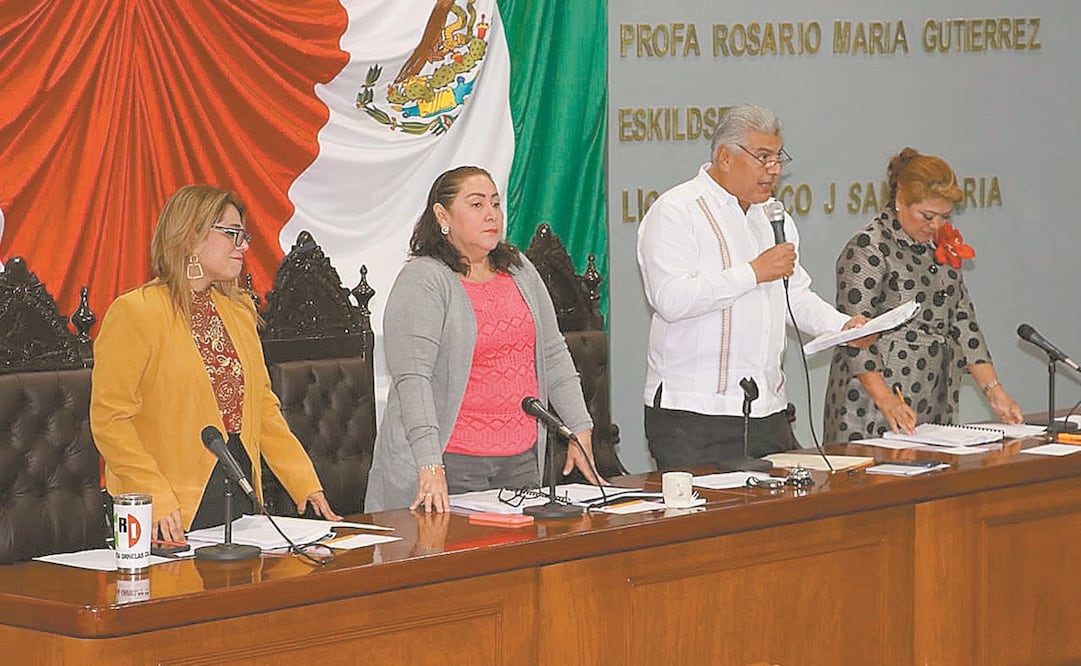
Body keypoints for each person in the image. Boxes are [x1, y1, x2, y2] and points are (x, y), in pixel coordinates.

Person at [91, 185, 340, 544]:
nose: (243, 246)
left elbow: (264, 408)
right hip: (166, 505)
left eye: (244, 235)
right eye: (231, 234)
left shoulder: (238, 310)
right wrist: (153, 496)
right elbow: (110, 420)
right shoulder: (136, 312)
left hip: (236, 486)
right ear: (191, 237)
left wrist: (303, 482)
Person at [636, 104, 869, 470]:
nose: (773, 169)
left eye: (778, 157)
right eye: (763, 158)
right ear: (724, 157)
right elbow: (671, 299)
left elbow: (794, 293)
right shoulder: (676, 210)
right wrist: (753, 272)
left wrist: (841, 326)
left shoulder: (773, 217)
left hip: (767, 410)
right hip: (694, 416)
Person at [364, 166, 600, 513]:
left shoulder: (519, 268)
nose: (491, 214)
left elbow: (552, 352)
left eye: (495, 203)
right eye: (476, 205)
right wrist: (430, 464)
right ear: (442, 215)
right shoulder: (424, 280)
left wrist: (579, 427)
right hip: (452, 461)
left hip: (521, 458)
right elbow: (413, 380)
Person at [823, 148, 1024, 441]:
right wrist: (886, 400)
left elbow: (964, 325)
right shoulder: (869, 246)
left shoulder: (938, 248)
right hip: (871, 402)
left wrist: (995, 392)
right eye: (927, 216)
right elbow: (853, 335)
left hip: (932, 397)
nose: (936, 226)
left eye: (944, 217)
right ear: (900, 198)